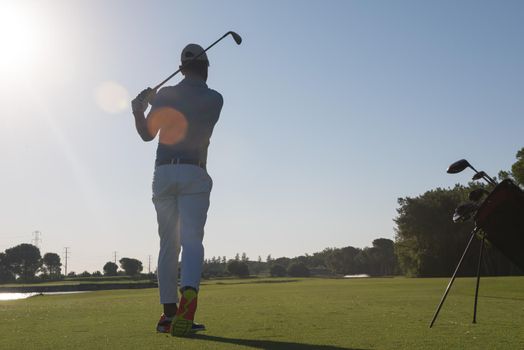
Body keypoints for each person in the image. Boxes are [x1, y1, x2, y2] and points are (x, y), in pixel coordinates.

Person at [131, 43, 223, 336]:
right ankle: (188, 301)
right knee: (192, 241)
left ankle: (167, 316)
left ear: (181, 68)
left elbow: (147, 135)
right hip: (194, 171)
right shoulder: (216, 99)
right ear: (206, 69)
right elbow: (191, 107)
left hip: (164, 172)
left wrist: (139, 109)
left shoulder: (167, 94)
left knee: (168, 245)